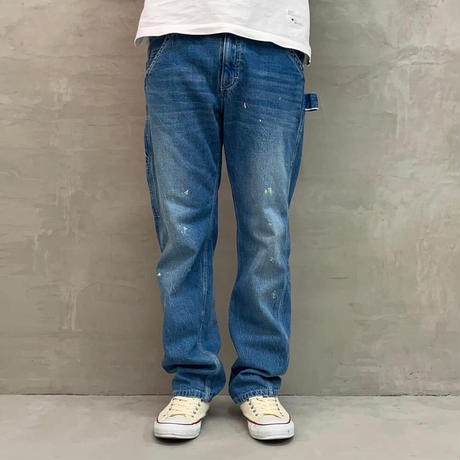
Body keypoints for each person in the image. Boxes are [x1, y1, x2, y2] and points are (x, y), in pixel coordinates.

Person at [134, 0, 318, 441]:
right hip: (178, 34)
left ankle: (260, 381)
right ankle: (191, 380)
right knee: (182, 229)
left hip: (273, 40)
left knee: (267, 229)